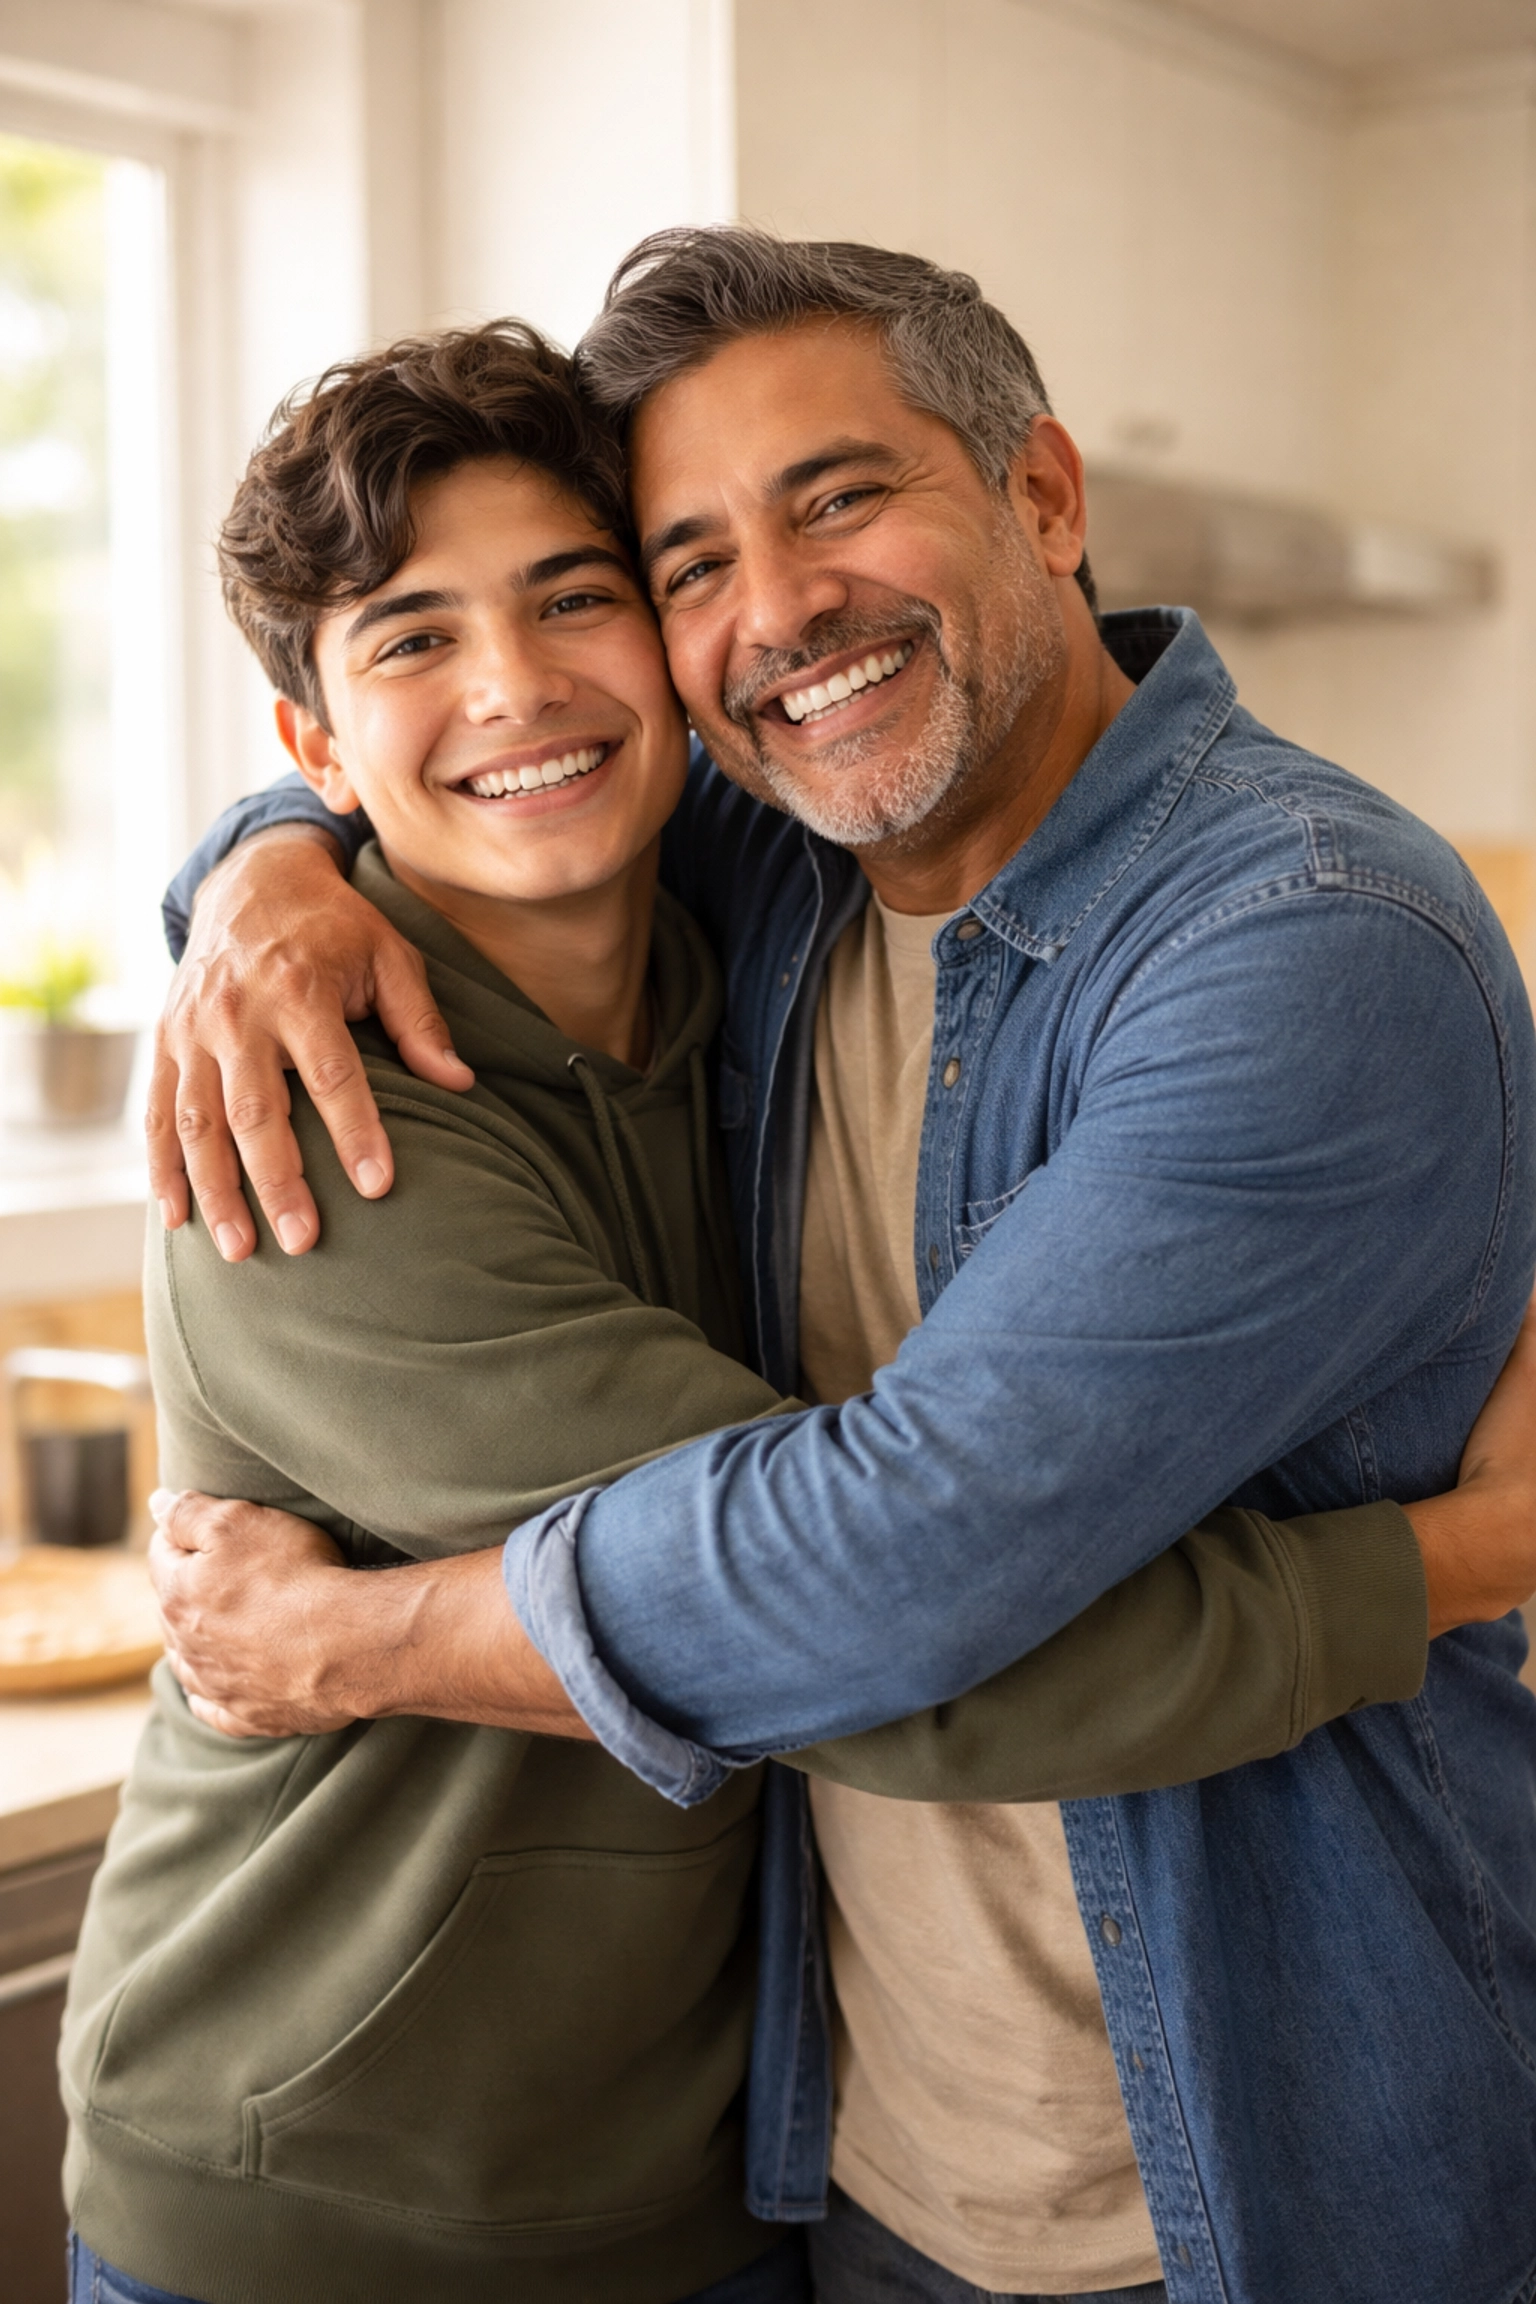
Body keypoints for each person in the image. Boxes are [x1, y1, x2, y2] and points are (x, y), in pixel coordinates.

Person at [146, 235, 1536, 2304]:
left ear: (1043, 499)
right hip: (855, 2166)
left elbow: (888, 1577)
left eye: (841, 499)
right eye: (690, 559)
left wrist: (370, 1643)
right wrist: (263, 865)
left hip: (1252, 2183)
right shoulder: (783, 848)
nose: (777, 615)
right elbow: (472, 740)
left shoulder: (1303, 942)